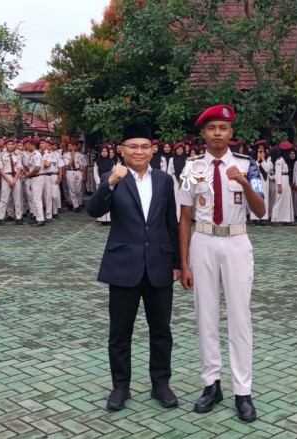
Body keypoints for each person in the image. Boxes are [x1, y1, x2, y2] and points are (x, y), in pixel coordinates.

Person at [178, 105, 266, 422]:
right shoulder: (192, 167)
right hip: (203, 241)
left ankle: (243, 391)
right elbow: (184, 217)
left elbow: (261, 210)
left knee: (240, 318)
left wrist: (244, 183)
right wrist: (183, 263)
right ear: (203, 133)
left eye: (223, 128)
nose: (217, 133)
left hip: (236, 241)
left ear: (231, 133)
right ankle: (211, 384)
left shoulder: (247, 165)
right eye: (212, 128)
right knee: (206, 316)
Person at [86, 123, 181, 412]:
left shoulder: (164, 181)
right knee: (120, 332)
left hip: (159, 265)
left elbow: (171, 223)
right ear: (122, 150)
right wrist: (111, 182)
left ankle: (160, 383)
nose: (139, 151)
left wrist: (177, 263)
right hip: (123, 265)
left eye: (144, 146)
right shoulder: (113, 177)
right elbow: (94, 210)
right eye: (132, 146)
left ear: (153, 150)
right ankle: (120, 386)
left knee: (161, 330)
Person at [0, 139, 24, 226]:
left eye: (12, 144)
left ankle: (18, 218)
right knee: (4, 199)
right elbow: (0, 170)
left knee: (17, 198)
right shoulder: (1, 155)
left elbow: (19, 168)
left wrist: (14, 180)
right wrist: (9, 180)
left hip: (16, 177)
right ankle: (0, 218)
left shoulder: (17, 155)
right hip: (6, 177)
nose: (10, 146)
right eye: (9, 144)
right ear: (5, 145)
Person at [270, 142, 295, 226]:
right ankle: (275, 219)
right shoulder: (279, 160)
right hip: (281, 179)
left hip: (286, 179)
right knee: (279, 200)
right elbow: (277, 173)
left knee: (287, 200)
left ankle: (286, 219)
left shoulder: (286, 160)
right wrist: (279, 185)